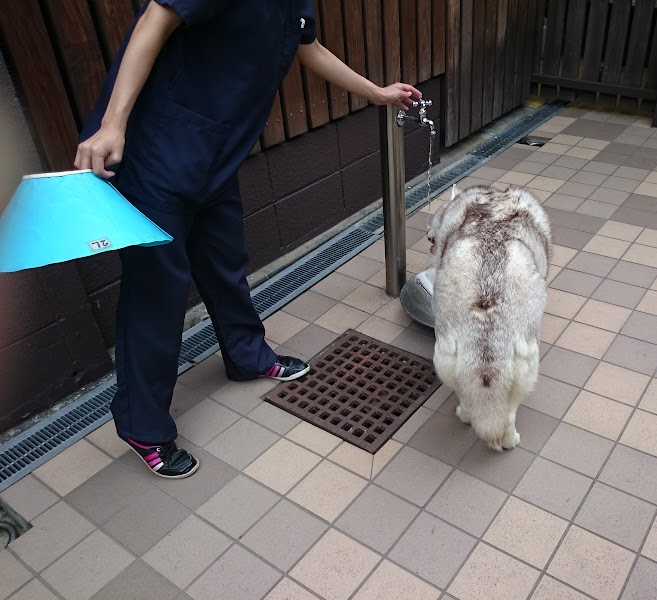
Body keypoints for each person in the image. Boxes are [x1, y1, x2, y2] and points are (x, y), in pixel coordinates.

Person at [75, 0, 422, 479]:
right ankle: (142, 424)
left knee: (224, 262)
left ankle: (245, 355)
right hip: (158, 151)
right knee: (157, 291)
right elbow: (156, 18)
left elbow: (310, 47)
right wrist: (113, 122)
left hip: (216, 155)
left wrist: (376, 93)